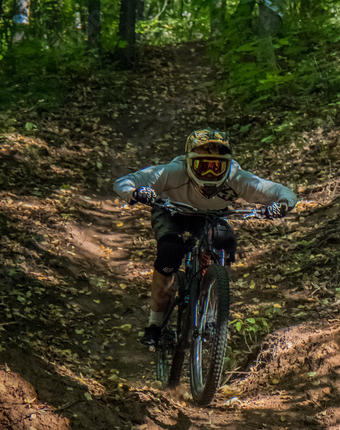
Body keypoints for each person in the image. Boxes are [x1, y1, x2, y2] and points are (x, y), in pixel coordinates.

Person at [113, 128, 299, 346]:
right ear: (189, 162)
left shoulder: (236, 177)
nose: (210, 174)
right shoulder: (171, 172)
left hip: (209, 216)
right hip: (171, 211)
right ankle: (155, 324)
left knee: (224, 241)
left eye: (217, 167)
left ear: (227, 165)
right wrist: (136, 193)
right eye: (203, 166)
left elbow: (281, 191)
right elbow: (125, 181)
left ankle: (210, 306)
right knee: (169, 252)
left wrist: (281, 206)